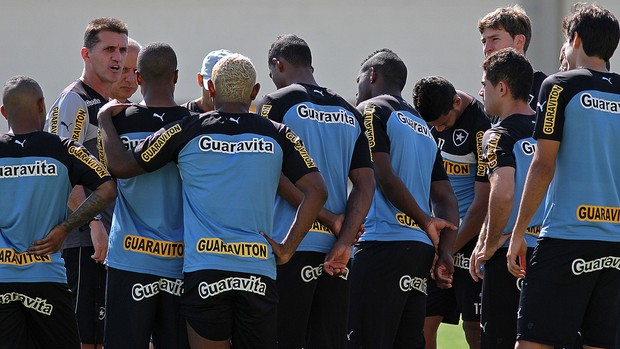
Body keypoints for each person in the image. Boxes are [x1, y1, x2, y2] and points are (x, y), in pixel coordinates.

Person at [98, 53, 327, 349]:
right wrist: (287, 247)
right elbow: (318, 192)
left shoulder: (188, 128)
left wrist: (104, 119)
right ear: (254, 92)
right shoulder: (278, 133)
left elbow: (122, 166)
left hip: (205, 268)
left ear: (212, 89)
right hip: (257, 268)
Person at [507, 4, 620, 349]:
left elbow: (542, 164)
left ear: (575, 38)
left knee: (532, 343)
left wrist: (516, 234)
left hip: (566, 237)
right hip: (615, 244)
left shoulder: (558, 85)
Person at [256, 34, 375, 349]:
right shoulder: (350, 112)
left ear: (278, 64)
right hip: (336, 254)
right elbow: (366, 183)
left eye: (272, 74)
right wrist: (345, 239)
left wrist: (327, 218)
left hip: (288, 244)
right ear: (311, 65)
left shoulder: (277, 102)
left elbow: (269, 172)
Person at [347, 48, 458, 349]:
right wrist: (445, 250)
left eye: (358, 78)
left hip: (381, 245)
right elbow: (447, 197)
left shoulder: (370, 109)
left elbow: (380, 173)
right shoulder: (422, 126)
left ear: (372, 75)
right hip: (419, 251)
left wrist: (425, 220)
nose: (356, 86)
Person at [0, 75, 116, 348]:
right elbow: (107, 189)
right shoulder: (64, 149)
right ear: (42, 105)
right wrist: (66, 228)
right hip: (46, 277)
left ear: (4, 112)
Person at [45, 17, 128, 349]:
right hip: (84, 242)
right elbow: (60, 174)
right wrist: (92, 223)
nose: (117, 58)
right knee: (82, 338)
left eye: (122, 50)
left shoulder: (111, 103)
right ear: (86, 54)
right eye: (108, 49)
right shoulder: (75, 100)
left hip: (110, 241)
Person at [103, 42, 193, 349]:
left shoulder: (117, 122)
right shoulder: (192, 125)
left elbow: (106, 181)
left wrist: (103, 121)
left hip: (129, 259)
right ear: (176, 77)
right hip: (180, 262)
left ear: (138, 77)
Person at [469, 48, 544, 349]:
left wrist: (488, 247)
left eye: (484, 84)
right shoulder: (549, 131)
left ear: (502, 88)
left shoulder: (497, 134)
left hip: (512, 257)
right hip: (552, 251)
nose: (480, 91)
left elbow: (502, 194)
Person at [413, 76, 491, 349]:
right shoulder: (425, 122)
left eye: (444, 123)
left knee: (475, 331)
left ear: (457, 103)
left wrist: (447, 250)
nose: (441, 129)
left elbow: (483, 203)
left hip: (468, 240)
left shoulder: (481, 126)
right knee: (421, 329)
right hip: (438, 240)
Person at [478, 5, 546, 113]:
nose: (487, 48)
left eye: (495, 39)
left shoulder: (544, 88)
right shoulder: (491, 89)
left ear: (519, 41)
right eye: (484, 42)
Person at [182, 49, 232, 113]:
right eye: (210, 85)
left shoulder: (245, 118)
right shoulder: (182, 116)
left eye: (223, 85)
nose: (214, 91)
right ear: (200, 79)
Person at [110, 38, 141, 102]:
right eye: (123, 69)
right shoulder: (86, 107)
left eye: (136, 71)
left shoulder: (138, 111)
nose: (131, 79)